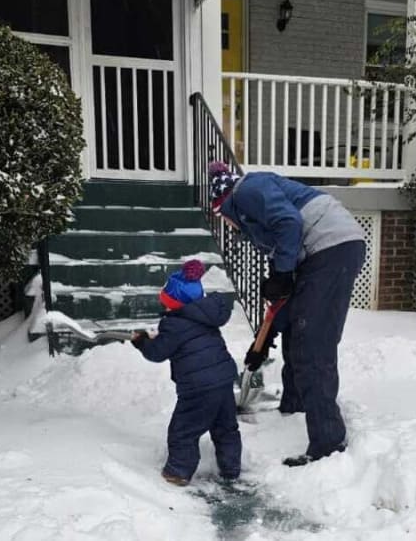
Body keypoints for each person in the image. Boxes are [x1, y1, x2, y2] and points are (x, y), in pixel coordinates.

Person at [209, 161, 366, 467]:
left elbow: (289, 224)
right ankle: (294, 408)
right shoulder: (253, 210)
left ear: (225, 204)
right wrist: (265, 338)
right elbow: (282, 287)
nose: (227, 226)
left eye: (222, 218)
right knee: (297, 329)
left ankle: (328, 443)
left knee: (313, 341)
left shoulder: (248, 189)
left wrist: (281, 275)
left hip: (331, 247)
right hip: (318, 253)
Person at [131, 259, 241, 486]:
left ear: (177, 304)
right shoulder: (206, 317)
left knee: (183, 431)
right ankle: (231, 469)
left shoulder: (174, 324)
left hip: (198, 388)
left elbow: (158, 353)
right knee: (226, 428)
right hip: (223, 381)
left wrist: (142, 342)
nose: (167, 309)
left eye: (168, 305)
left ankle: (178, 472)